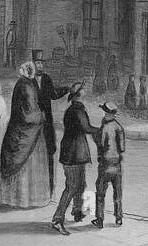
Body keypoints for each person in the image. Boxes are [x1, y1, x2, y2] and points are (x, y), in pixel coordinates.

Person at [0, 61, 53, 208]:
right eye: (30, 69)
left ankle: (16, 198)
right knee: (29, 164)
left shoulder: (22, 83)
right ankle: (26, 199)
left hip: (18, 128)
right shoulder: (27, 86)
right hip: (29, 131)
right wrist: (42, 116)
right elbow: (29, 112)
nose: (32, 71)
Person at [51, 82, 99, 235]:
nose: (86, 89)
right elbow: (86, 128)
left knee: (80, 184)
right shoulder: (77, 109)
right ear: (79, 93)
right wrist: (103, 129)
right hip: (73, 154)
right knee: (72, 186)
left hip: (75, 152)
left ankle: (77, 211)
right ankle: (57, 219)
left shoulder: (74, 108)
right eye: (83, 88)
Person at [32, 49, 70, 183]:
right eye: (38, 63)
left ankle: (50, 185)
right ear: (33, 64)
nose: (41, 66)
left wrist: (67, 89)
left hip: (46, 122)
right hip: (33, 122)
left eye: (42, 63)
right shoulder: (28, 81)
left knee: (49, 151)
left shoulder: (46, 78)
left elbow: (53, 94)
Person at [92, 101, 126, 229]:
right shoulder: (119, 127)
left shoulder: (104, 128)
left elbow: (101, 144)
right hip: (117, 164)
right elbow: (122, 148)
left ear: (106, 113)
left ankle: (99, 219)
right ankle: (119, 218)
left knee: (100, 192)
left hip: (105, 164)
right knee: (117, 192)